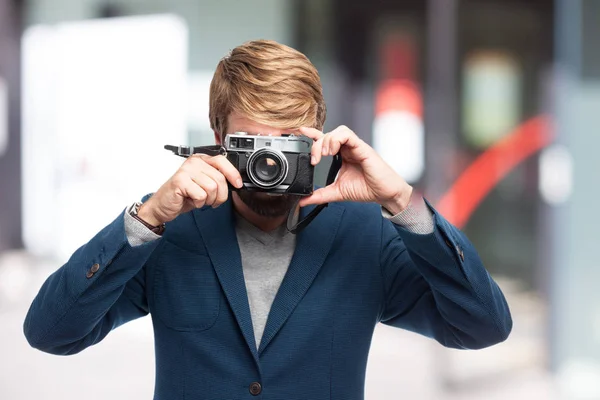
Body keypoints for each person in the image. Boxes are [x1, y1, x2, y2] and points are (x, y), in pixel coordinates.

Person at [24, 39, 511, 399]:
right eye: (253, 146)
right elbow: (50, 332)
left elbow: (482, 327)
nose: (271, 165)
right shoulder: (171, 228)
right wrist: (146, 218)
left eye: (287, 144)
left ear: (320, 137)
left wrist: (403, 202)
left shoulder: (365, 235)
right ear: (217, 134)